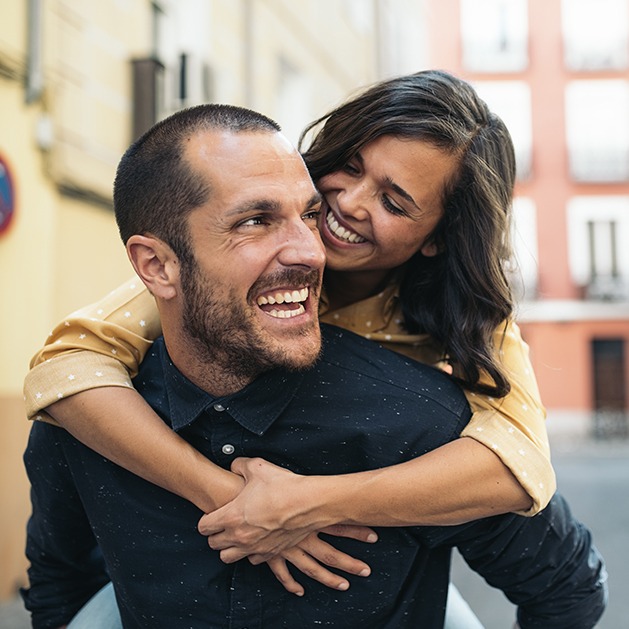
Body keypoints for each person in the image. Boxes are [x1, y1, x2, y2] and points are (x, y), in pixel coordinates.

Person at [21, 103, 607, 629]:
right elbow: (65, 369)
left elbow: (518, 470)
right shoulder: (189, 288)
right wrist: (227, 496)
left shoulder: (448, 368)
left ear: (437, 238)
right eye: (349, 168)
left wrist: (307, 503)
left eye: (395, 201)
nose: (342, 209)